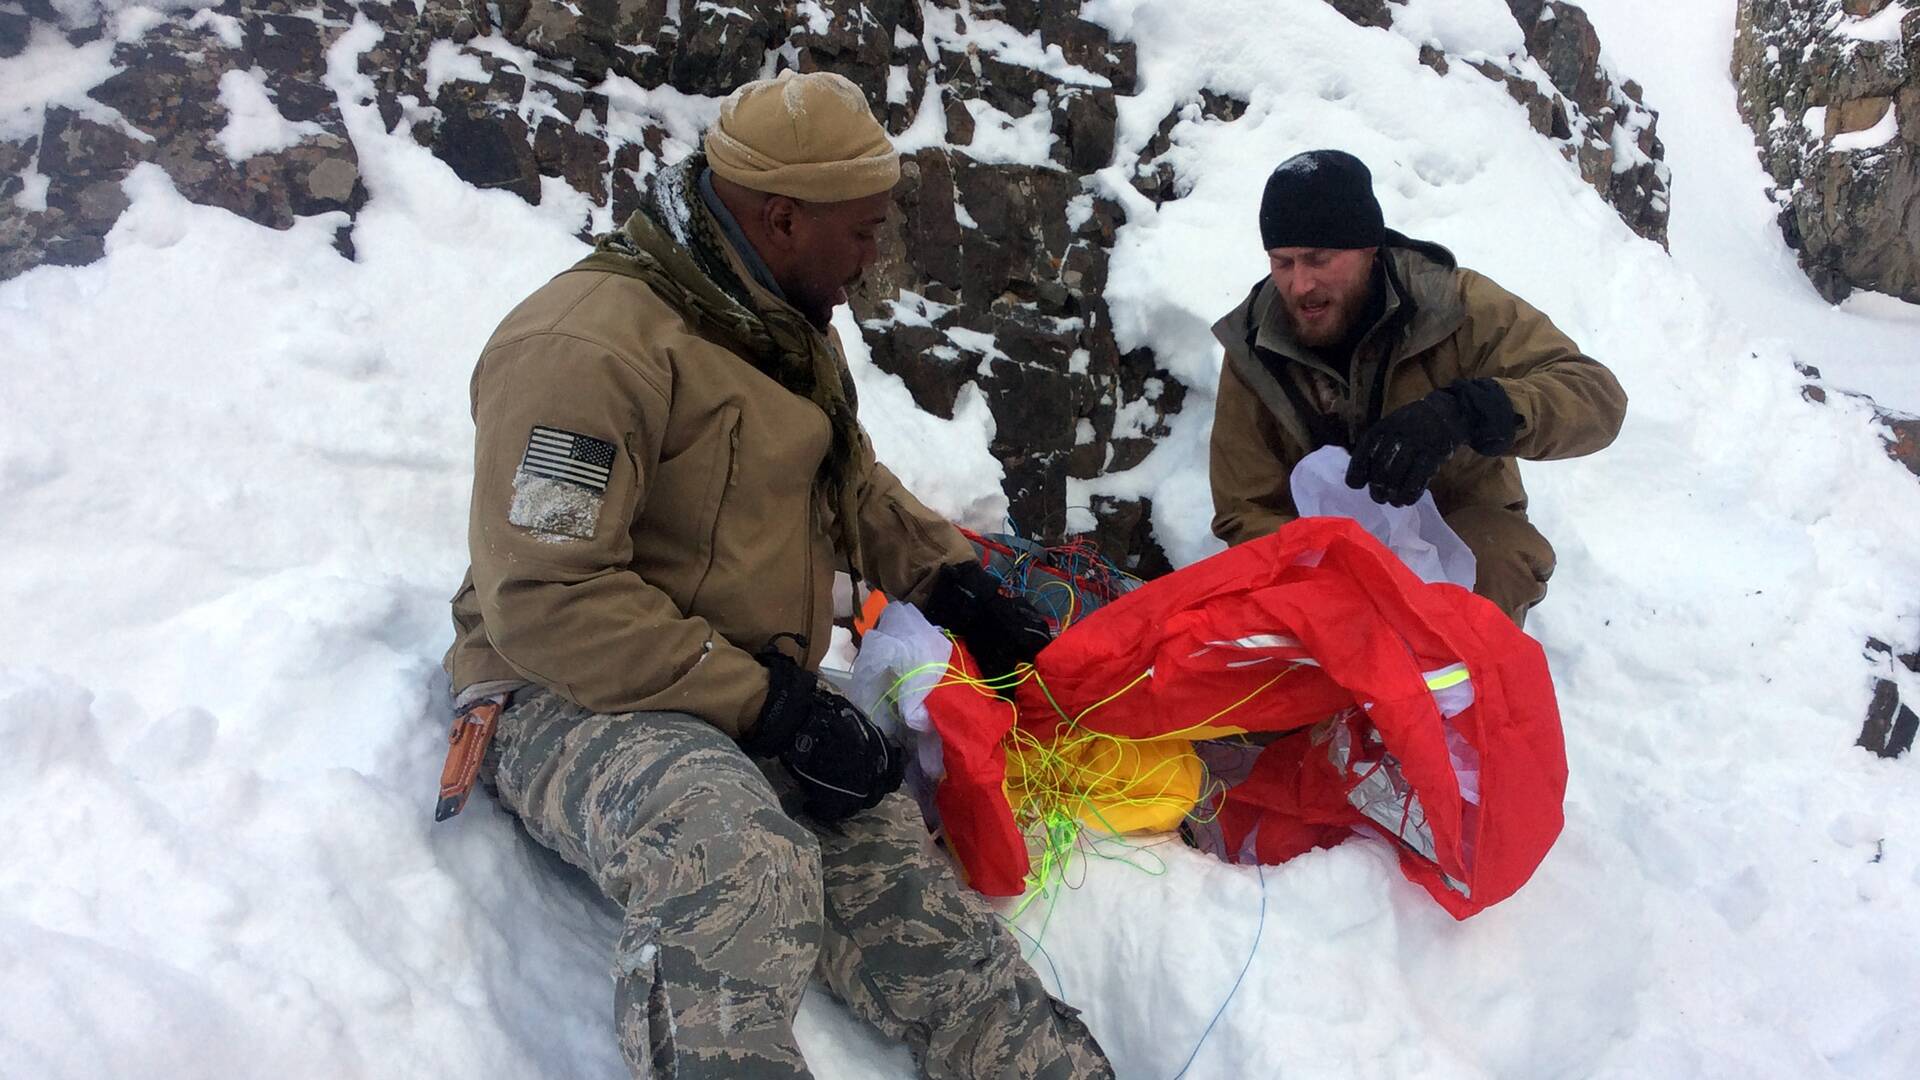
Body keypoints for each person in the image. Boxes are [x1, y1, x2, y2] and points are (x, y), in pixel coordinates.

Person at [442, 69, 1112, 1079]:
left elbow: (844, 479)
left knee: (924, 915)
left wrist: (955, 585)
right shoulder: (583, 348)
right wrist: (770, 708)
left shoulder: (775, 319)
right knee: (728, 842)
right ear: (784, 218)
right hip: (565, 690)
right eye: (863, 228)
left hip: (747, 687)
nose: (874, 252)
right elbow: (547, 599)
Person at [1209, 149, 1628, 626]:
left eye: (1318, 260)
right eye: (1282, 263)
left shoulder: (1453, 305)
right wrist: (1328, 576)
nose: (1300, 284)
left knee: (1497, 560)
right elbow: (1246, 509)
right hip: (1320, 557)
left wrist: (1469, 412)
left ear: (1369, 249)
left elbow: (1596, 395)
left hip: (1458, 524)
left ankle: (1463, 693)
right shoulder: (1252, 346)